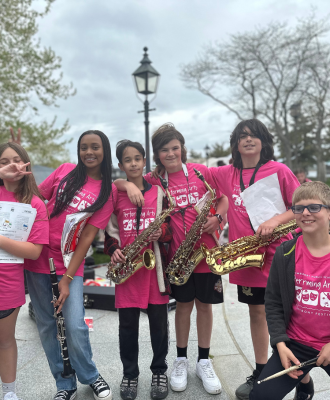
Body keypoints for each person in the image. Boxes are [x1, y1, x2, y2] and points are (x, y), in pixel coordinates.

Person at [114, 123, 228, 395]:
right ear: (156, 154)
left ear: (182, 148)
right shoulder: (155, 179)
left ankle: (203, 360)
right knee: (184, 307)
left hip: (206, 252)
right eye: (164, 150)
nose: (170, 153)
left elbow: (223, 201)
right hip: (178, 256)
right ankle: (180, 360)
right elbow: (120, 182)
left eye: (175, 147)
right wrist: (126, 182)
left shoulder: (203, 171)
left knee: (205, 306)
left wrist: (218, 218)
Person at [209, 119, 300, 400]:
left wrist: (275, 219)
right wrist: (127, 181)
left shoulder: (279, 170)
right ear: (236, 144)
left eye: (253, 136)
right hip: (248, 259)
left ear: (263, 141)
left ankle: (296, 372)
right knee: (256, 314)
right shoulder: (227, 173)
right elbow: (189, 173)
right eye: (242, 136)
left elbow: (300, 207)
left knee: (288, 319)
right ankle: (262, 370)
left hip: (280, 257)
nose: (248, 140)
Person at [22, 130, 117, 400]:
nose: (89, 152)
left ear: (104, 151)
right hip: (36, 253)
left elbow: (87, 237)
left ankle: (90, 375)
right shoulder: (64, 170)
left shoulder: (107, 192)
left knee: (74, 324)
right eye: (84, 146)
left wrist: (67, 277)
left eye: (95, 147)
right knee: (47, 324)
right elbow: (36, 199)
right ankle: (65, 384)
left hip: (67, 261)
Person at [104, 140, 172, 400]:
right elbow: (107, 230)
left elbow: (170, 228)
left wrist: (161, 232)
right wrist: (113, 250)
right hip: (127, 269)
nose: (132, 163)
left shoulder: (160, 192)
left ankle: (159, 370)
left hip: (153, 269)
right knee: (128, 326)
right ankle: (130, 374)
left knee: (159, 325)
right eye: (127, 160)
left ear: (144, 160)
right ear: (120, 165)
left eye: (137, 158)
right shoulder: (114, 193)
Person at [250, 181, 330, 400]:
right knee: (260, 396)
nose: (305, 213)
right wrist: (280, 344)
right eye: (298, 208)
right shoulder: (286, 252)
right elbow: (273, 301)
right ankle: (305, 384)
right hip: (295, 343)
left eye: (314, 207)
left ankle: (303, 382)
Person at [0, 143, 49, 400]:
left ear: (27, 163)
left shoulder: (34, 204)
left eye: (17, 160)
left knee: (5, 340)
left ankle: (9, 392)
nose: (12, 165)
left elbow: (33, 251)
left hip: (7, 284)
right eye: (4, 161)